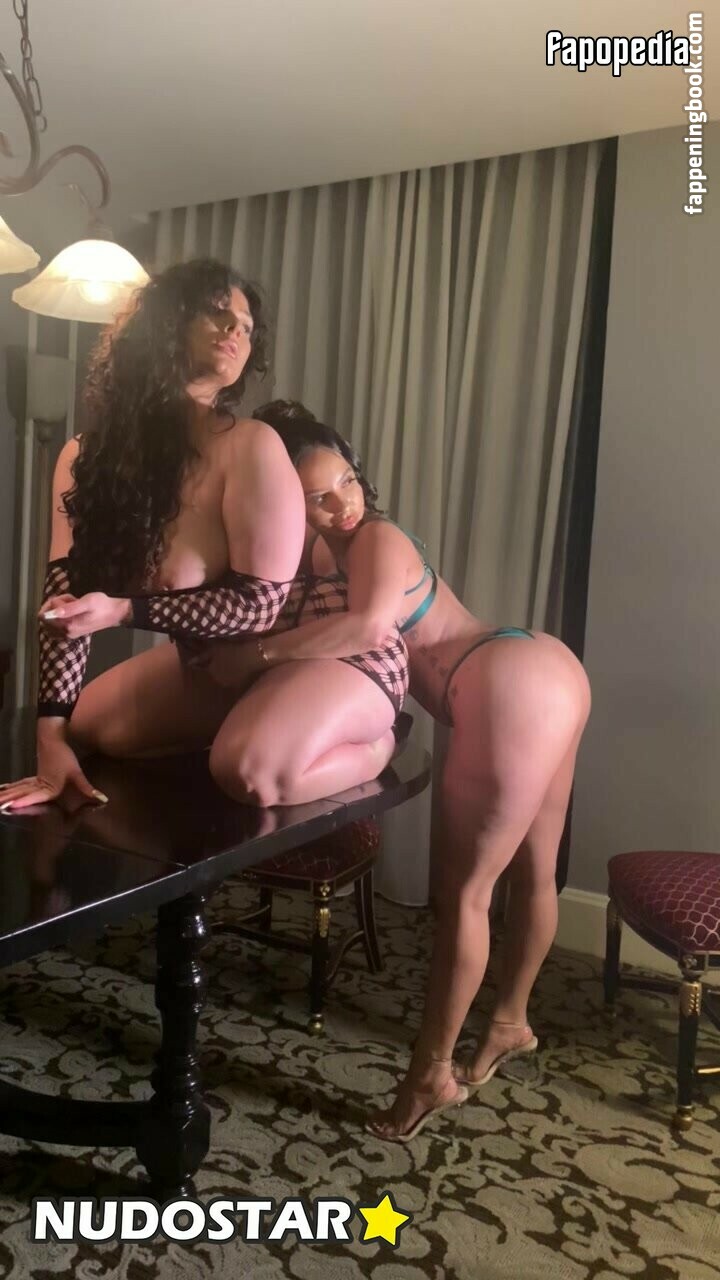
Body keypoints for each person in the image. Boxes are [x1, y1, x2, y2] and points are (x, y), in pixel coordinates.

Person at [199, 400, 591, 1142]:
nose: (342, 503)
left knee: (465, 895)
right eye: (319, 496)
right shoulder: (337, 551)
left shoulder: (376, 536)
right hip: (547, 664)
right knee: (535, 871)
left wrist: (254, 658)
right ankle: (510, 1020)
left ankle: (430, 1076)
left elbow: (367, 629)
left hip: (503, 680)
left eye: (346, 482)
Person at [0, 259, 407, 814]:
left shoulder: (250, 445)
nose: (237, 329)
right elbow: (63, 606)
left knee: (249, 773)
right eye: (218, 313)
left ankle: (379, 743)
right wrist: (50, 740)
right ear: (166, 322)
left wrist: (123, 611)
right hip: (215, 665)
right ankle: (254, 720)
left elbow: (258, 607)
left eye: (247, 325)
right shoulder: (82, 459)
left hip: (319, 652)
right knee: (90, 729)